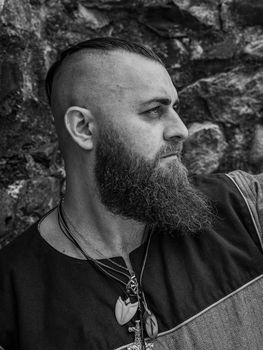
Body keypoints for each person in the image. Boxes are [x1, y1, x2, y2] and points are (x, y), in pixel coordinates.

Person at [0, 37, 263, 350]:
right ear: (83, 128)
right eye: (154, 110)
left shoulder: (243, 207)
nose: (181, 129)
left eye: (174, 108)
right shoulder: (12, 296)